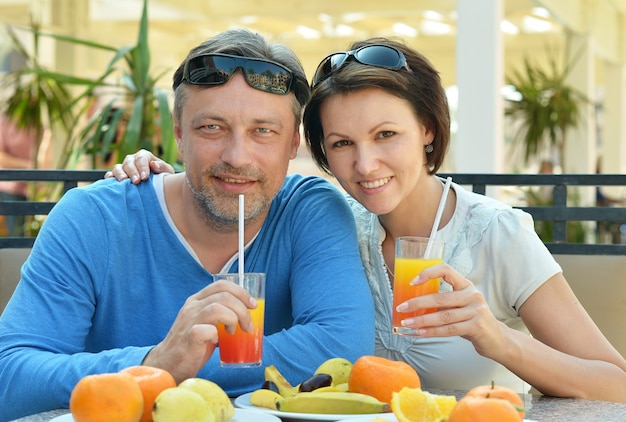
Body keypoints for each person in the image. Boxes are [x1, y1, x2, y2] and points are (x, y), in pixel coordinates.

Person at [112, 37, 626, 403]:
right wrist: (158, 176)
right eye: (341, 144)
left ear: (426, 128)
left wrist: (499, 340)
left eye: (386, 135)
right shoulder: (328, 226)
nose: (364, 165)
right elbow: (243, 176)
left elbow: (617, 384)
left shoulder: (496, 233)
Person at [0, 29, 375, 420]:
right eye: (211, 127)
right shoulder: (92, 218)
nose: (237, 156)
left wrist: (170, 370)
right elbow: (8, 376)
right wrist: (157, 360)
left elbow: (342, 347)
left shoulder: (309, 211)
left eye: (263, 131)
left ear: (293, 144)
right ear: (179, 134)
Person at [0, 114, 43, 236]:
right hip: (10, 186)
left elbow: (43, 157)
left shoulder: (37, 123)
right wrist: (28, 165)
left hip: (32, 187)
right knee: (17, 234)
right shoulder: (5, 122)